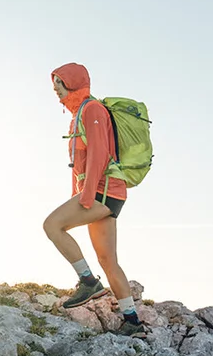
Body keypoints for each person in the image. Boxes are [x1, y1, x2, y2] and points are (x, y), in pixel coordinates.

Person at [43, 62, 144, 334]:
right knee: (108, 260)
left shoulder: (92, 110)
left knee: (52, 226)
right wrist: (78, 195)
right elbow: (79, 164)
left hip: (102, 191)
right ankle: (132, 321)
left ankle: (88, 282)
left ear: (73, 82)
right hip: (106, 193)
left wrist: (85, 197)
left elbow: (99, 153)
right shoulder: (79, 115)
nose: (55, 89)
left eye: (59, 84)